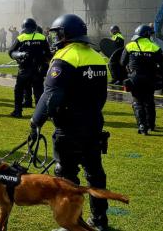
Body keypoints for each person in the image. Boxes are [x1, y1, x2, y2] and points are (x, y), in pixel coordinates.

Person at [30, 13, 110, 231]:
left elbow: (50, 96)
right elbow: (102, 95)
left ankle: (72, 223)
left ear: (65, 34)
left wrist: (35, 122)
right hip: (94, 123)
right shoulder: (96, 56)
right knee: (95, 174)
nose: (55, 37)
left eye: (57, 33)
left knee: (66, 175)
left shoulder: (64, 57)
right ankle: (100, 220)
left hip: (69, 127)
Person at [120, 25, 163, 135]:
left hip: (135, 79)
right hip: (150, 79)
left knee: (137, 102)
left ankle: (142, 126)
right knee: (149, 102)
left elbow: (122, 62)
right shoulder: (154, 47)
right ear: (147, 35)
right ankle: (151, 125)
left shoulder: (129, 46)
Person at [8, 18, 51, 118]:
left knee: (18, 90)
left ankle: (17, 112)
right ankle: (40, 114)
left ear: (24, 27)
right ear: (35, 27)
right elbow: (48, 55)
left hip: (24, 70)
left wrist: (20, 54)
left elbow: (11, 52)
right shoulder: (42, 37)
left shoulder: (21, 37)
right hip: (38, 70)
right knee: (39, 93)